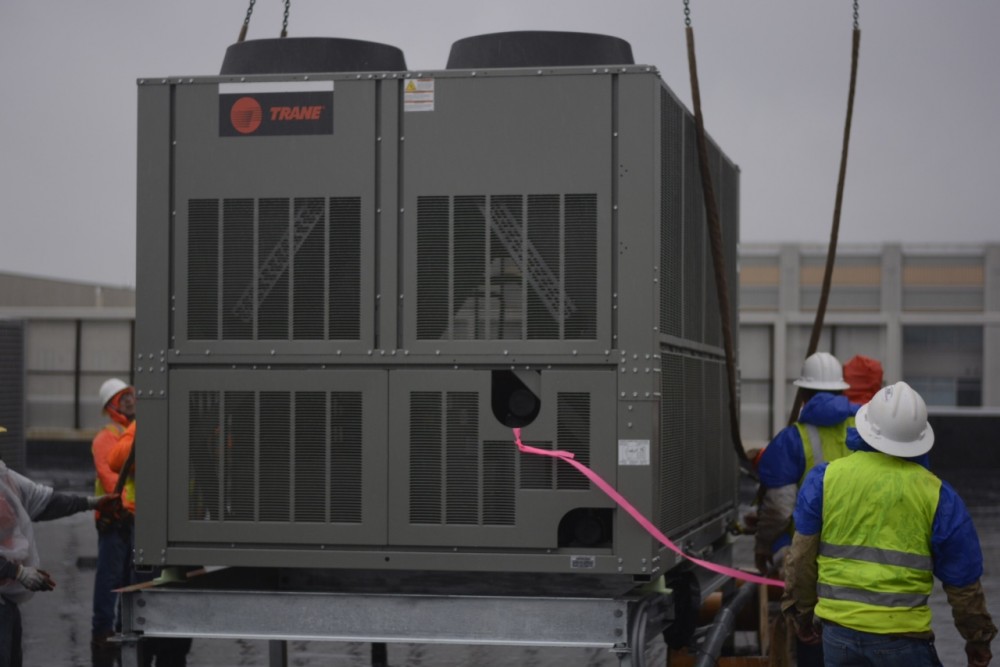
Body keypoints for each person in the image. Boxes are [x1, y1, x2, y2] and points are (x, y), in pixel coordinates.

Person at [781, 381, 997, 666]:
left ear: (866, 428)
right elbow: (963, 581)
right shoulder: (937, 495)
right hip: (904, 640)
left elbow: (801, 558)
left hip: (838, 636)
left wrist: (802, 615)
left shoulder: (825, 479)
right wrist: (977, 638)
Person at [0, 425, 116, 667]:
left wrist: (90, 503)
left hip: (6, 600)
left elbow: (44, 501)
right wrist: (17, 572)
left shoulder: (5, 479)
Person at [753, 351, 858, 575]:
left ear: (803, 394)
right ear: (841, 389)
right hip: (862, 552)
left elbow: (779, 509)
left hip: (808, 558)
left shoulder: (792, 440)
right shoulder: (867, 427)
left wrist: (763, 545)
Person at [108, 422, 192, 666]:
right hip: (148, 528)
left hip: (184, 531)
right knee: (143, 592)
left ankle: (167, 649)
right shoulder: (142, 426)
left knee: (177, 606)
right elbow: (116, 459)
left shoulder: (196, 424)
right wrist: (154, 441)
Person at [90, 378, 136, 666]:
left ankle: (121, 628)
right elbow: (111, 478)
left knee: (129, 580)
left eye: (130, 395)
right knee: (109, 579)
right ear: (112, 407)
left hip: (131, 518)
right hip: (116, 519)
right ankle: (103, 633)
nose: (130, 401)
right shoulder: (107, 437)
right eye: (123, 398)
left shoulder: (132, 431)